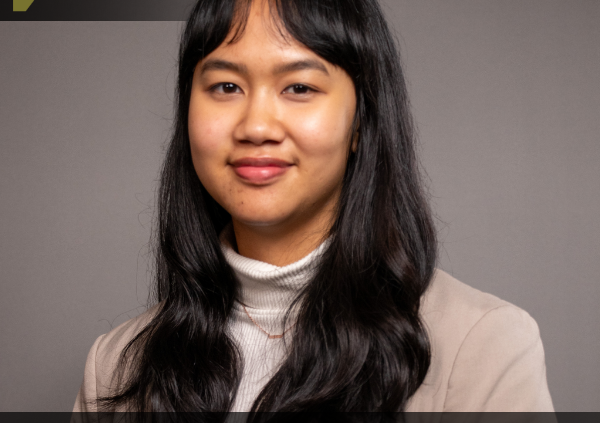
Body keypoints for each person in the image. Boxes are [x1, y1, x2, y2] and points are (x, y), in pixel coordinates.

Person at [73, 0, 554, 416]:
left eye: (299, 88)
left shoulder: (483, 344)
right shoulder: (116, 366)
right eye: (225, 87)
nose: (256, 126)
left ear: (361, 121)